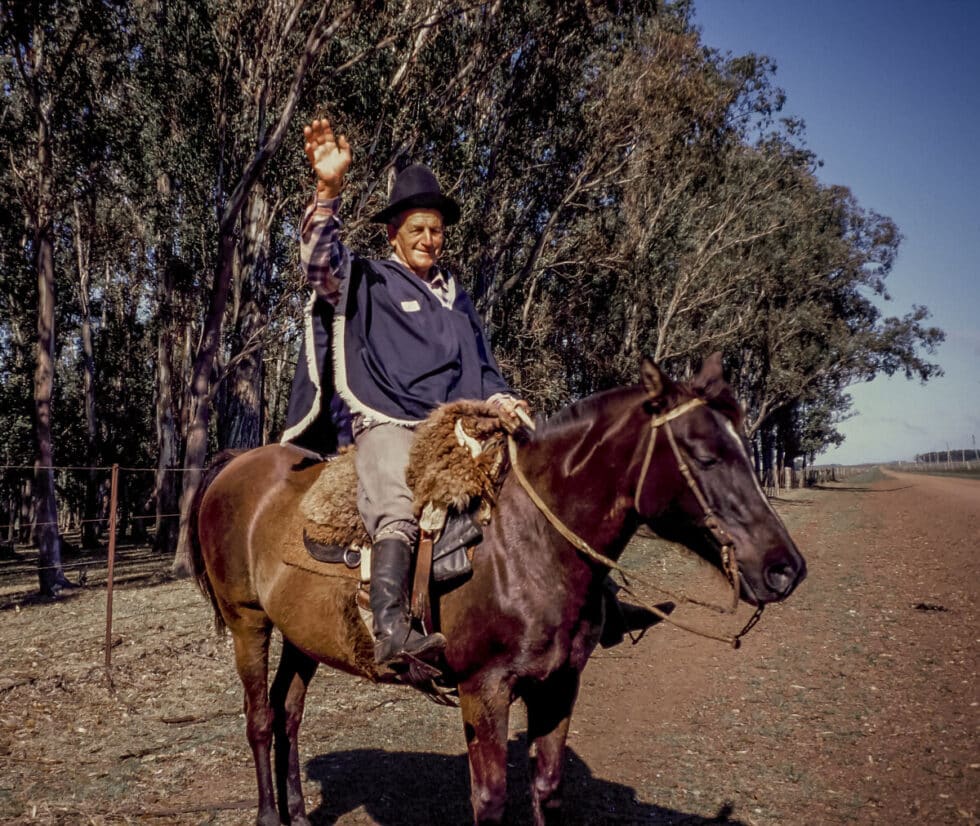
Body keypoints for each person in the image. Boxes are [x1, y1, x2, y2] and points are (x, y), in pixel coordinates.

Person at [282, 118, 529, 671]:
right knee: (396, 495)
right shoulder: (367, 279)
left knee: (530, 479)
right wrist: (327, 193)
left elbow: (484, 369)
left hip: (462, 425)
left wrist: (505, 401)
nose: (428, 239)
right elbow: (319, 264)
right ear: (393, 232)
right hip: (390, 422)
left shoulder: (457, 298)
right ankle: (391, 627)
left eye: (436, 230)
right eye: (417, 228)